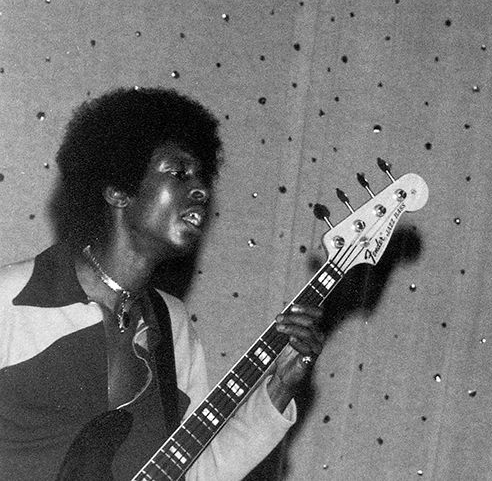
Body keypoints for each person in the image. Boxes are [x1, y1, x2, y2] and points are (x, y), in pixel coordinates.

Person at [0, 87, 326, 480]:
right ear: (119, 189)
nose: (201, 190)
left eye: (202, 177)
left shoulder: (171, 324)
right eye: (179, 173)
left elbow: (193, 471)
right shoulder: (10, 298)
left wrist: (279, 389)